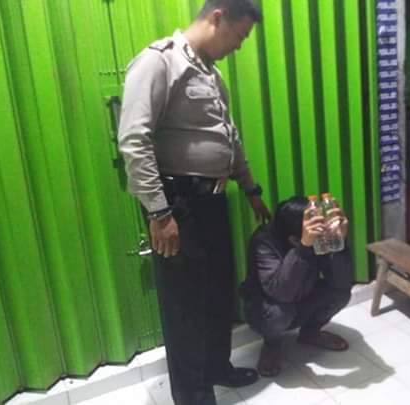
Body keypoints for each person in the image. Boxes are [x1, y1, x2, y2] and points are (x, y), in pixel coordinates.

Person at [117, 1, 270, 403]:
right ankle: (192, 396)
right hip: (178, 206)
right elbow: (134, 141)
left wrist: (251, 189)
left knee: (218, 294)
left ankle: (217, 367)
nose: (239, 46)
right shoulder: (159, 63)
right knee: (185, 307)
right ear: (217, 17)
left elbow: (229, 138)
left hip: (214, 203)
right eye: (240, 35)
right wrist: (159, 212)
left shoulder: (212, 75)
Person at [240, 196, 354, 377]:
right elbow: (281, 292)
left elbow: (341, 281)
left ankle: (311, 333)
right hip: (266, 306)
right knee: (280, 313)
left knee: (340, 293)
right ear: (292, 237)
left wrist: (339, 243)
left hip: (303, 293)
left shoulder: (318, 234)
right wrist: (303, 248)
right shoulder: (264, 241)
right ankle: (272, 344)